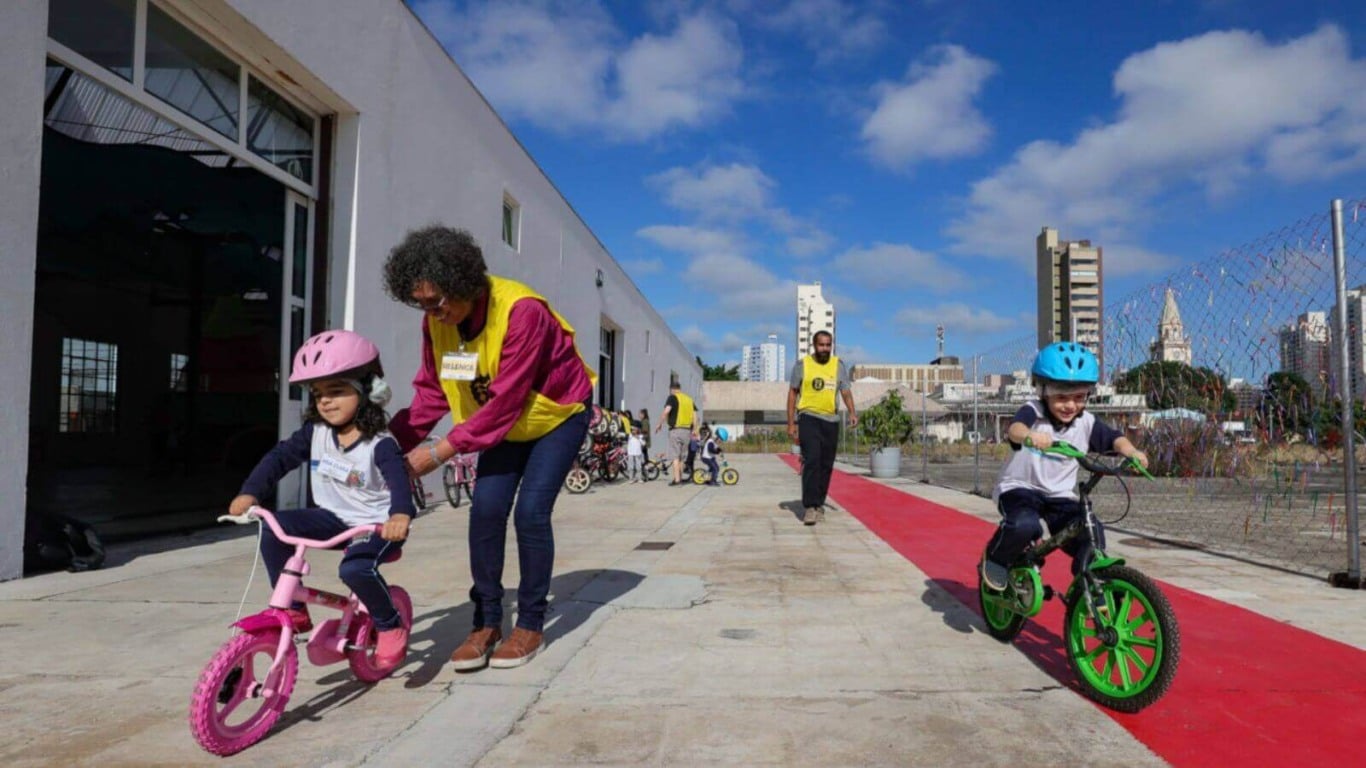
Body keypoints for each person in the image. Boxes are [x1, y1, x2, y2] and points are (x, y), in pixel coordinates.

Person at [384, 225, 594, 671]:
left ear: (463, 282)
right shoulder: (436, 325)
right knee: (484, 511)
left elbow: (509, 398)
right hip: (503, 425)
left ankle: (531, 623)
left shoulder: (522, 311)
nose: (431, 313)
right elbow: (432, 392)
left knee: (531, 513)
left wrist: (439, 452)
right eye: (420, 304)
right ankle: (487, 621)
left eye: (437, 302)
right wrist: (389, 445)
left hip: (555, 415)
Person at [230, 330, 413, 670]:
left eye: (337, 391)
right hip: (332, 518)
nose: (326, 401)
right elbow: (279, 458)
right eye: (318, 395)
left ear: (368, 391)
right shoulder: (316, 433)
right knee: (274, 528)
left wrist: (400, 515)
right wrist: (250, 491)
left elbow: (399, 481)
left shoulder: (380, 443)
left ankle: (390, 625)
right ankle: (295, 609)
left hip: (374, 524)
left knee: (355, 568)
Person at [979, 342, 1149, 591]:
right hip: (1020, 488)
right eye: (1061, 397)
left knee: (1091, 533)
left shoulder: (1086, 423)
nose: (1070, 405)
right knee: (1025, 526)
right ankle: (996, 557)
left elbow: (1114, 438)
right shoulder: (1033, 411)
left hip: (1059, 495)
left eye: (1079, 397)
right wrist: (1029, 436)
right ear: (1043, 392)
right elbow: (1014, 429)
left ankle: (1087, 584)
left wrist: (1132, 451)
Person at [786, 331, 857, 525]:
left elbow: (846, 392)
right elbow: (792, 394)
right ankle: (809, 506)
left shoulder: (838, 365)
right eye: (821, 345)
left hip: (831, 421)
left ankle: (819, 504)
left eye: (828, 345)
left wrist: (852, 412)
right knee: (812, 460)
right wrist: (791, 423)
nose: (824, 348)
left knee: (826, 464)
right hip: (808, 417)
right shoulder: (802, 365)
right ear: (814, 345)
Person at [655, 380, 698, 485]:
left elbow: (666, 411)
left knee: (675, 456)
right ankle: (681, 477)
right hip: (687, 431)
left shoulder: (672, 397)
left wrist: (659, 423)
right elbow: (695, 416)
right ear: (680, 388)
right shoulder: (689, 399)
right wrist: (695, 429)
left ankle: (677, 480)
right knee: (682, 457)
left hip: (676, 430)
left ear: (672, 389)